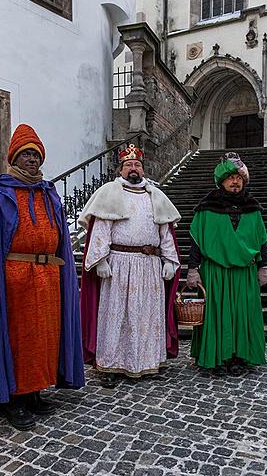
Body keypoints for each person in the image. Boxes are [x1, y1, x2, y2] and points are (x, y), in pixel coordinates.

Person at [0, 124, 85, 429]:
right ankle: (13, 399)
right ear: (14, 158)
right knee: (19, 339)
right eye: (26, 154)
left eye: (36, 154)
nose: (32, 159)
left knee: (45, 338)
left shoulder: (47, 193)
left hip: (48, 276)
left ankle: (35, 393)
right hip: (15, 280)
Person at [79, 144, 181, 387]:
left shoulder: (155, 195)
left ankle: (146, 361)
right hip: (119, 265)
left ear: (143, 169)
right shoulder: (109, 193)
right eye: (128, 165)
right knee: (117, 317)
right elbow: (101, 228)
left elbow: (165, 230)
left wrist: (169, 260)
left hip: (149, 267)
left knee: (147, 317)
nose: (133, 168)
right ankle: (111, 364)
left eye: (137, 164)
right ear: (121, 169)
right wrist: (100, 260)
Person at [187, 152, 267, 377]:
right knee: (217, 315)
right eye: (231, 177)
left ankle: (238, 357)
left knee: (242, 316)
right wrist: (193, 269)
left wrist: (264, 267)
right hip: (216, 272)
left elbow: (262, 240)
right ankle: (216, 359)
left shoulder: (253, 208)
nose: (235, 182)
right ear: (221, 181)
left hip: (244, 273)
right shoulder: (206, 208)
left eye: (239, 178)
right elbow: (196, 240)